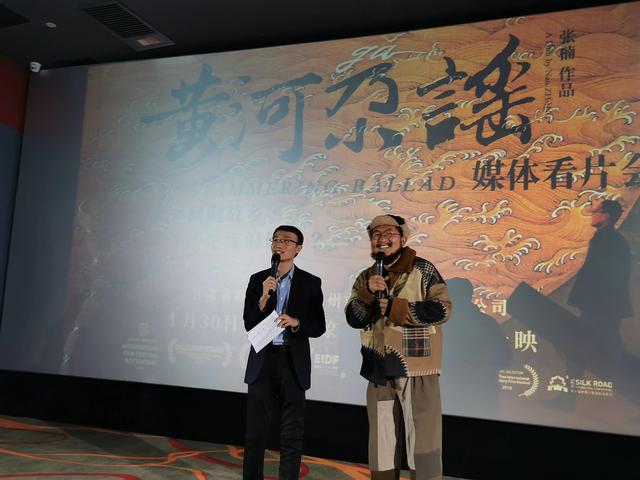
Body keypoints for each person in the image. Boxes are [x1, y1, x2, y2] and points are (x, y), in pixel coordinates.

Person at [345, 214, 451, 480]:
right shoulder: (366, 277)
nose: (382, 239)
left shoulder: (423, 269)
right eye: (376, 235)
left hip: (417, 365)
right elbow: (353, 318)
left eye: (389, 233)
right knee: (382, 443)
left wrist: (396, 308)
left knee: (422, 441)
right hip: (378, 368)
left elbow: (443, 309)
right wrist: (368, 294)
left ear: (403, 239)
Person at [242, 225, 326, 480]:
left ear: (298, 248)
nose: (280, 244)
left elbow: (318, 326)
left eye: (287, 240)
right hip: (263, 359)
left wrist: (296, 322)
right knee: (256, 432)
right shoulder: (258, 280)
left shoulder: (311, 283)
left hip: (292, 360)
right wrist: (263, 298)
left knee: (292, 431)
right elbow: (249, 322)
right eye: (276, 239)